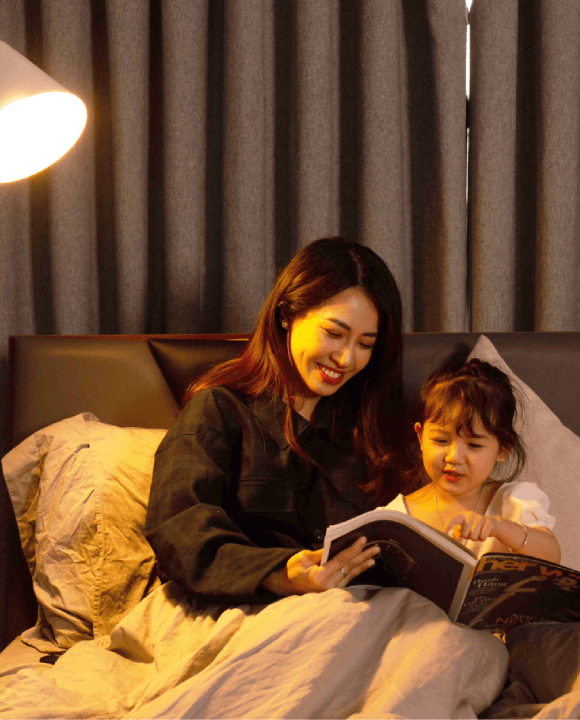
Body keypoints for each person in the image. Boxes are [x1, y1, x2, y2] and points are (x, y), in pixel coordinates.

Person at [145, 236, 407, 599]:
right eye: (334, 333)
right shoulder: (219, 411)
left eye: (365, 344)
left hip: (354, 608)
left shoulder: (365, 429)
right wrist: (280, 575)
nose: (347, 359)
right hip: (242, 611)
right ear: (286, 315)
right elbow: (179, 533)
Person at [381, 357, 561, 563]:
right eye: (441, 440)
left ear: (503, 449)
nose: (454, 457)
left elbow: (552, 556)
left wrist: (497, 527)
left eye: (474, 445)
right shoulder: (396, 517)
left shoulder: (514, 502)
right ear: (420, 437)